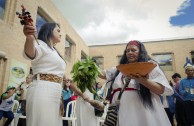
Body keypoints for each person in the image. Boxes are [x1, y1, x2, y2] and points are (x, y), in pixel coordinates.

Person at [98, 40, 174, 126]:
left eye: (133, 50)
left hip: (143, 110)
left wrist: (143, 81)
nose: (129, 53)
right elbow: (104, 74)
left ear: (141, 52)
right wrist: (91, 67)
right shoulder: (121, 68)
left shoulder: (149, 66)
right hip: (123, 108)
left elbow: (161, 90)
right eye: (127, 51)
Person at [23, 22, 66, 126]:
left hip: (56, 90)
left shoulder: (54, 51)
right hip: (43, 89)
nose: (60, 34)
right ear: (49, 30)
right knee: (42, 122)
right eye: (58, 31)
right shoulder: (40, 44)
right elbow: (31, 54)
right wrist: (29, 37)